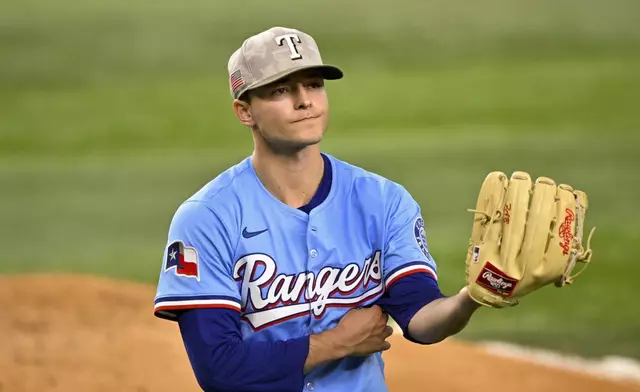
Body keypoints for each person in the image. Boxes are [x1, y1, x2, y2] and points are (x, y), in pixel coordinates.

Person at [153, 26, 481, 392]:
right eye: (281, 90)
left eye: (313, 84)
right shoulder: (206, 218)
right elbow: (219, 369)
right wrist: (336, 343)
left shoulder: (383, 201)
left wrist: (472, 297)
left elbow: (421, 317)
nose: (304, 100)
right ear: (245, 112)